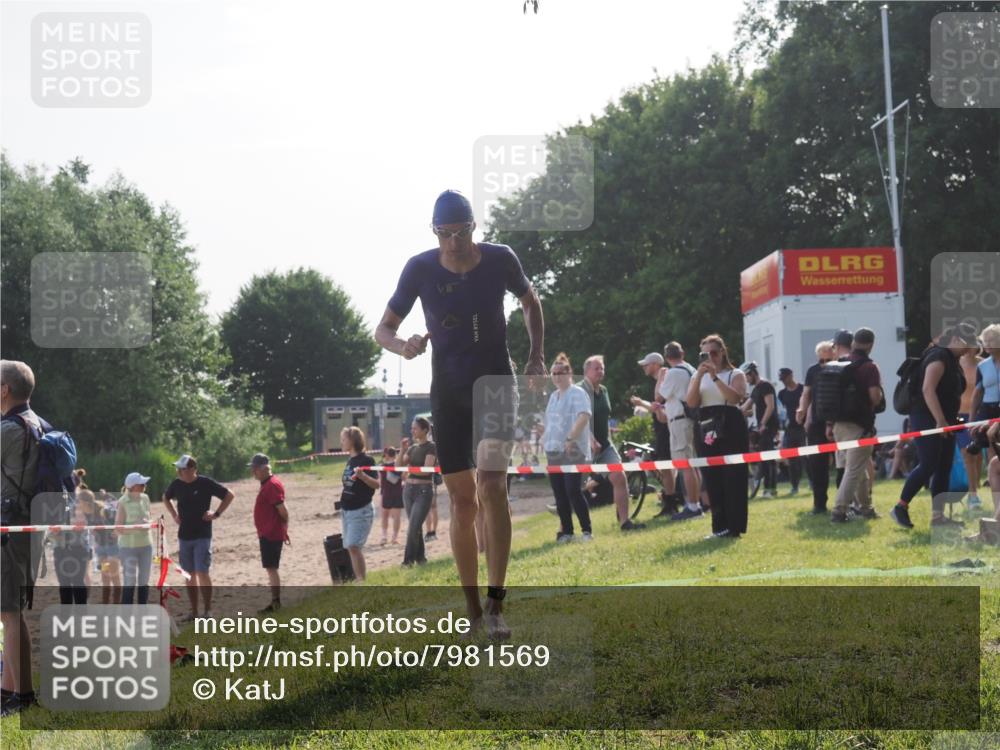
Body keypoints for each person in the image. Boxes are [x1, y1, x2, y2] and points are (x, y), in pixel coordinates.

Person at [374, 189, 545, 639]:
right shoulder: (420, 268)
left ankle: (496, 604)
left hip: (494, 384)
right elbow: (383, 329)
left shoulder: (500, 259)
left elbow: (531, 302)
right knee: (463, 501)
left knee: (492, 486)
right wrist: (402, 346)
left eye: (460, 231)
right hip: (447, 392)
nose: (453, 241)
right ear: (435, 232)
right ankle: (471, 610)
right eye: (444, 233)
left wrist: (535, 356)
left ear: (474, 227)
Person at [890, 323, 980, 529]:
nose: (969, 349)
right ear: (955, 339)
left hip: (946, 420)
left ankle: (937, 517)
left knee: (943, 466)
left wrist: (949, 419)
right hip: (927, 419)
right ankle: (900, 507)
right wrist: (939, 420)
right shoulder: (938, 356)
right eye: (967, 344)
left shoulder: (953, 360)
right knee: (929, 463)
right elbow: (928, 389)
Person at [0, 360, 47, 715]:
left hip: (9, 531)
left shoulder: (9, 429)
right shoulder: (37, 424)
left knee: (10, 614)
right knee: (12, 613)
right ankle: (10, 692)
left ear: (5, 390)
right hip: (25, 528)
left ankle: (22, 698)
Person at [685, 334, 750, 539]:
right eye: (705, 353)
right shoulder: (697, 375)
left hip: (730, 423)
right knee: (712, 478)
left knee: (734, 477)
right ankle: (718, 527)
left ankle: (734, 526)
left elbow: (735, 398)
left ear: (723, 352)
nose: (710, 357)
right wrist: (699, 377)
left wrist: (714, 377)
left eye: (714, 352)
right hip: (707, 425)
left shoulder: (735, 373)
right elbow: (692, 403)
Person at [163, 455, 235, 620]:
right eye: (179, 469)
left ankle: (208, 611)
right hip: (184, 536)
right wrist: (174, 514)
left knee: (202, 572)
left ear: (193, 469)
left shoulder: (205, 483)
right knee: (188, 575)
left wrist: (216, 513)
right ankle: (194, 612)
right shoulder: (176, 484)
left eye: (183, 469)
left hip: (202, 534)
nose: (180, 472)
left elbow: (229, 495)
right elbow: (165, 498)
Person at [580, 355, 643, 532]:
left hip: (605, 446)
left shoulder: (604, 391)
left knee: (619, 477)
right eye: (596, 368)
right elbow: (577, 420)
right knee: (575, 487)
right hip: (582, 447)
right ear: (586, 371)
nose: (600, 371)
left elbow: (603, 418)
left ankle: (625, 522)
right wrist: (590, 439)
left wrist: (607, 437)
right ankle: (565, 528)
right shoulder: (579, 391)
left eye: (602, 368)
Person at [828, 327, 883, 523]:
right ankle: (839, 510)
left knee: (857, 469)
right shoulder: (869, 367)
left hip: (837, 425)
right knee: (853, 471)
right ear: (870, 345)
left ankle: (866, 508)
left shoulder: (839, 364)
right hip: (859, 425)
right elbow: (874, 398)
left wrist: (829, 425)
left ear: (853, 344)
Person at [542, 353, 593, 542]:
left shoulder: (577, 393)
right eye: (553, 373)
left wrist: (570, 438)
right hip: (553, 449)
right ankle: (567, 532)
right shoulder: (553, 396)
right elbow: (552, 423)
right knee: (559, 493)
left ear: (569, 373)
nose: (556, 376)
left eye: (559, 373)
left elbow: (583, 416)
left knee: (573, 490)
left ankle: (587, 530)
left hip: (573, 449)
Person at [656, 342, 703, 521]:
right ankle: (695, 504)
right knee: (693, 465)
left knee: (685, 466)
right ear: (682, 353)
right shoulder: (690, 369)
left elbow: (659, 395)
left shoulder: (674, 373)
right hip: (689, 419)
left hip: (679, 421)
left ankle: (692, 506)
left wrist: (661, 376)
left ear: (667, 358)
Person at [630, 352, 678, 516]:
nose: (644, 367)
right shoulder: (661, 379)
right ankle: (669, 498)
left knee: (666, 466)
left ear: (656, 364)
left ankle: (671, 502)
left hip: (666, 427)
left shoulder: (663, 377)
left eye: (647, 364)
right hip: (662, 426)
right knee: (663, 466)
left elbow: (657, 405)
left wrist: (640, 402)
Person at [797, 341, 835, 513]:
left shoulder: (841, 368)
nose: (825, 364)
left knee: (844, 464)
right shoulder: (813, 371)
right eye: (822, 360)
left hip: (839, 421)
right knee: (816, 465)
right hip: (817, 424)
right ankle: (819, 504)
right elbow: (806, 394)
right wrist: (802, 410)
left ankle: (848, 504)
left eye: (828, 359)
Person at [247, 453, 288, 612]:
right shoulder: (268, 483)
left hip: (271, 533)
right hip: (268, 532)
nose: (253, 472)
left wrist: (282, 528)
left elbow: (282, 510)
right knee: (270, 567)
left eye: (255, 469)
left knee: (271, 568)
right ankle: (275, 601)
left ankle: (276, 602)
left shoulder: (271, 485)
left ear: (264, 468)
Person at [338, 427, 379, 581]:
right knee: (350, 546)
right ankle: (358, 579)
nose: (341, 442)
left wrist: (363, 477)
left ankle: (362, 580)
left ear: (352, 440)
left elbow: (376, 484)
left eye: (343, 439)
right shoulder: (350, 461)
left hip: (361, 510)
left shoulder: (367, 460)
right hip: (347, 510)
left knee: (354, 546)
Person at [52, 482, 96, 605]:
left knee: (78, 581)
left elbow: (84, 520)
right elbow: (51, 530)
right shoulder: (53, 507)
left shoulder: (79, 504)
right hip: (60, 549)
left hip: (79, 548)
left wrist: (71, 524)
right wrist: (55, 531)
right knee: (64, 583)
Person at [401, 417, 437, 566]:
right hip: (408, 490)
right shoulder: (412, 448)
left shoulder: (431, 447)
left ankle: (407, 561)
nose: (412, 430)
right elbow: (399, 464)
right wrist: (402, 449)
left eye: (415, 428)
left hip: (423, 490)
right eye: (412, 428)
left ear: (425, 430)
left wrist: (409, 469)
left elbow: (427, 470)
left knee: (413, 526)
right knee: (415, 527)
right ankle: (421, 559)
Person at [741, 362, 779, 499]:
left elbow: (770, 406)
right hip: (762, 426)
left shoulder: (765, 385)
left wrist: (762, 424)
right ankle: (768, 489)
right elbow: (745, 407)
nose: (746, 380)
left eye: (746, 376)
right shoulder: (756, 389)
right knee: (765, 458)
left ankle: (770, 490)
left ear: (752, 373)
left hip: (769, 426)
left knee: (768, 459)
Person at [115, 473, 153, 605]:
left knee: (144, 580)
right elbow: (118, 528)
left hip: (146, 545)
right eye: (141, 484)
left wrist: (147, 522)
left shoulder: (146, 498)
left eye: (144, 484)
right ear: (132, 486)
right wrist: (137, 526)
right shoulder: (122, 502)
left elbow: (149, 518)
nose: (144, 486)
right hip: (128, 547)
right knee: (129, 580)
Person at [956, 347, 984, 508]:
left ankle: (976, 484)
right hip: (960, 415)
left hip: (980, 414)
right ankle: (972, 495)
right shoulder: (956, 363)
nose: (966, 349)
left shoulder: (983, 364)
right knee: (967, 453)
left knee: (978, 454)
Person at [777, 367, 805, 496]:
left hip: (803, 427)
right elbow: (781, 412)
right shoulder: (782, 394)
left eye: (785, 378)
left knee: (806, 457)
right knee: (792, 459)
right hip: (790, 429)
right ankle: (794, 486)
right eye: (781, 380)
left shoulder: (802, 389)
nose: (784, 381)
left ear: (791, 376)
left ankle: (812, 481)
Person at [94, 489, 122, 604]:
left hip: (112, 547)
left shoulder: (109, 511)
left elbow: (121, 519)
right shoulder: (89, 514)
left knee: (114, 575)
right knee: (105, 575)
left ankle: (117, 603)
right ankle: (105, 602)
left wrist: (117, 531)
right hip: (101, 548)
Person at [379, 446, 404, 545]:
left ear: (387, 455)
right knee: (391, 516)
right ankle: (390, 537)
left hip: (393, 493)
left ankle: (391, 537)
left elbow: (403, 477)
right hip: (389, 493)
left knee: (390, 516)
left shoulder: (397, 465)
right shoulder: (382, 466)